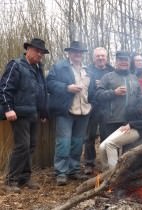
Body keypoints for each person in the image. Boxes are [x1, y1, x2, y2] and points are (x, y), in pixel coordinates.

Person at [0, 38, 49, 192]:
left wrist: (43, 112)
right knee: (22, 146)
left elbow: (41, 92)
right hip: (19, 113)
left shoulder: (38, 68)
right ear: (28, 50)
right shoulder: (16, 65)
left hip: (33, 113)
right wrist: (8, 108)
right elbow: (4, 88)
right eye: (37, 51)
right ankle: (10, 180)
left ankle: (24, 178)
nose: (40, 54)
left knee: (31, 146)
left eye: (42, 52)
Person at [47, 41, 95, 186]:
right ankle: (61, 173)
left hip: (84, 111)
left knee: (77, 143)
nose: (77, 54)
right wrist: (67, 87)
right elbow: (49, 83)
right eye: (74, 52)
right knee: (63, 142)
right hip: (66, 111)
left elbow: (91, 90)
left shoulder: (88, 70)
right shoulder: (60, 67)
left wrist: (92, 104)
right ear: (69, 53)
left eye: (79, 52)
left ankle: (73, 170)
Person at [99, 85, 142, 169]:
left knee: (110, 144)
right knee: (102, 146)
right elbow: (129, 111)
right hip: (128, 126)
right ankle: (106, 172)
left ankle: (113, 174)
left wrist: (132, 124)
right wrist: (141, 111)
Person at [95, 51, 142, 139]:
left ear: (129, 62)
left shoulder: (134, 78)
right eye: (121, 60)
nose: (123, 62)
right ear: (116, 61)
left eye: (126, 60)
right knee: (108, 148)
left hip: (129, 121)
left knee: (127, 151)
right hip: (111, 121)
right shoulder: (108, 77)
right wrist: (114, 93)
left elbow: (140, 98)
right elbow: (98, 95)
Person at [83, 47, 114, 175]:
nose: (101, 58)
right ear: (93, 57)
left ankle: (104, 163)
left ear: (106, 57)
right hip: (92, 107)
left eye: (103, 56)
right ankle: (89, 163)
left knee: (106, 137)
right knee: (89, 137)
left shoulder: (112, 71)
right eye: (98, 56)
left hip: (107, 108)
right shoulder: (87, 70)